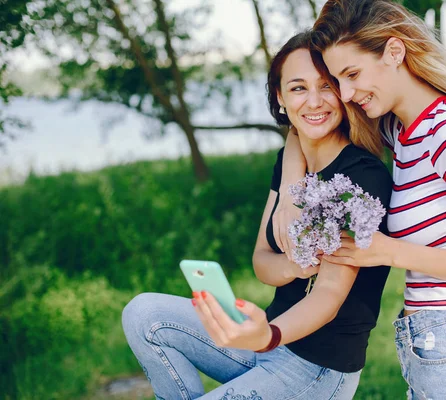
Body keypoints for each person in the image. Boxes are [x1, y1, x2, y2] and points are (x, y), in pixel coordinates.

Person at [273, 1, 446, 399]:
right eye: (338, 80)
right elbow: (303, 126)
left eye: (352, 74)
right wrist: (291, 191)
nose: (344, 93)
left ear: (394, 52)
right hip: (435, 352)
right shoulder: (404, 129)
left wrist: (387, 251)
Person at [122, 30, 393, 400]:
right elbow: (262, 262)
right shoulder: (290, 161)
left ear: (343, 92)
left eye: (326, 86)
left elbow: (328, 297)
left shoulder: (362, 177)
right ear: (280, 97)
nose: (314, 101)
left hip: (314, 368)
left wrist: (269, 336)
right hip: (267, 342)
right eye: (298, 88)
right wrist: (296, 266)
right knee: (143, 314)